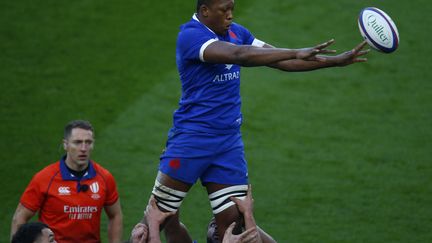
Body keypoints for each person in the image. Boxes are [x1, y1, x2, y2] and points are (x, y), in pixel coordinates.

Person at [143, 0, 369, 242]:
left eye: (233, 8)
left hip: (228, 144)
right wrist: (294, 50)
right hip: (191, 140)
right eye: (224, 10)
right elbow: (241, 55)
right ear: (205, 11)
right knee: (159, 219)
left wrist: (336, 61)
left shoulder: (237, 32)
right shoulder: (190, 36)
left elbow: (279, 60)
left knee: (233, 227)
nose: (230, 15)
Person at [10, 120, 123, 243]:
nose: (83, 148)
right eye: (78, 142)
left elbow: (115, 215)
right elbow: (20, 218)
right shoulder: (44, 178)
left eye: (88, 142)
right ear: (65, 145)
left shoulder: (104, 177)